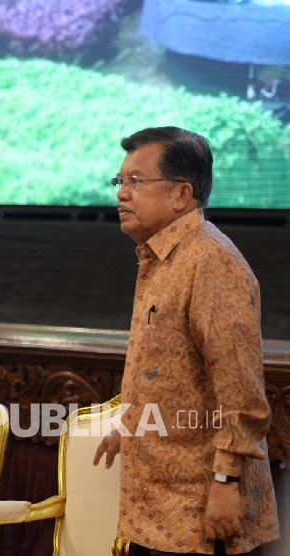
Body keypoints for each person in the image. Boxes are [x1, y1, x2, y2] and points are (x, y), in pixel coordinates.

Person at [92, 126, 279, 555]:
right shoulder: (161, 258)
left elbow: (241, 391)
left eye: (135, 181)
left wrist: (225, 482)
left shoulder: (210, 262)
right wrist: (130, 424)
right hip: (159, 507)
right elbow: (168, 367)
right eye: (119, 181)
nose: (122, 193)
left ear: (181, 194)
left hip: (200, 512)